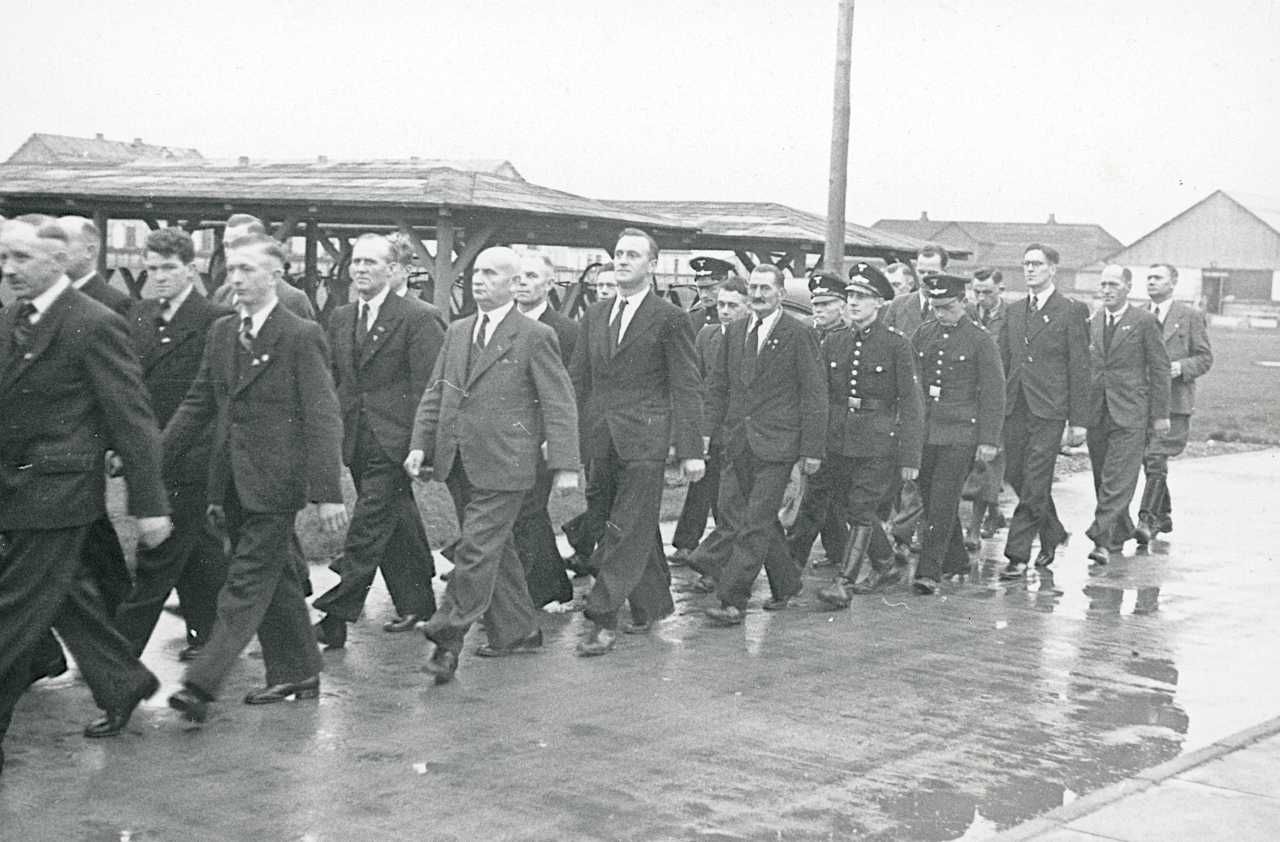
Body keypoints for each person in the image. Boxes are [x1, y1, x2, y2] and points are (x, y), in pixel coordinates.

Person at [0, 218, 172, 773]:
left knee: (12, 612)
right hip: (15, 489)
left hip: (59, 494)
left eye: (21, 258)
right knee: (65, 595)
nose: (8, 270)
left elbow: (134, 420)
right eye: (3, 259)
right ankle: (122, 682)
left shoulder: (93, 323)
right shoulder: (10, 319)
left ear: (57, 260)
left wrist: (150, 505)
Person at [164, 234, 348, 723]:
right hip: (230, 481)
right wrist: (154, 462)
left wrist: (327, 492)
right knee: (277, 578)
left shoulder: (300, 334)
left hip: (275, 486)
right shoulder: (223, 332)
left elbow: (322, 415)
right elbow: (199, 403)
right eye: (231, 270)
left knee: (243, 584)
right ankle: (299, 670)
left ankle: (201, 684)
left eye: (248, 269)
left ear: (276, 275)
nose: (237, 279)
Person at [405, 247, 579, 683]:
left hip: (506, 463)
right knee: (495, 550)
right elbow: (436, 391)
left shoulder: (534, 335)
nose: (479, 280)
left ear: (514, 282)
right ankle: (518, 630)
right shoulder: (458, 330)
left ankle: (447, 637)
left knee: (476, 549)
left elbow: (559, 401)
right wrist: (421, 444)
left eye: (491, 273)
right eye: (476, 272)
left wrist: (565, 464)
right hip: (458, 458)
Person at [569, 228, 704, 655]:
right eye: (618, 253)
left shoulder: (670, 318)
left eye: (632, 255)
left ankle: (602, 616)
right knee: (613, 522)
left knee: (626, 528)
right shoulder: (595, 315)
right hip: (601, 438)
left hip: (645, 441)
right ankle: (652, 604)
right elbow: (578, 380)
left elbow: (686, 385)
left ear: (652, 265)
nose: (622, 261)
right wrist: (569, 441)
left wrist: (691, 450)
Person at [310, 234, 444, 649]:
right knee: (395, 520)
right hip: (355, 436)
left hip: (397, 441)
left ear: (393, 269)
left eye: (371, 262)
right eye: (356, 262)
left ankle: (336, 615)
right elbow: (336, 377)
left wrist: (422, 444)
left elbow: (430, 388)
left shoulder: (419, 317)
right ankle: (418, 603)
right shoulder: (342, 316)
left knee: (368, 525)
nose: (360, 269)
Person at [113, 229, 233, 661]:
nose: (159, 276)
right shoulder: (138, 314)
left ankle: (117, 659)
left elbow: (211, 399)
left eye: (168, 268)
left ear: (190, 269)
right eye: (152, 268)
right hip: (148, 450)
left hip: (191, 456)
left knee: (157, 556)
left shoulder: (215, 319)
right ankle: (212, 636)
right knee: (199, 551)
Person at [701, 264, 827, 625]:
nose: (757, 295)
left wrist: (812, 450)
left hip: (778, 445)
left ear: (780, 294)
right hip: (738, 441)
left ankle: (732, 600)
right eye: (753, 288)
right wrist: (706, 432)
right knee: (751, 517)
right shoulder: (735, 331)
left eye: (765, 289)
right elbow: (718, 386)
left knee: (754, 523)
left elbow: (814, 394)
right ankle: (787, 583)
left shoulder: (798, 334)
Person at [811, 265, 924, 606]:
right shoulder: (834, 341)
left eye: (862, 296)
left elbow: (912, 403)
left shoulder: (896, 344)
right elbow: (821, 396)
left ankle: (844, 583)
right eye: (850, 296)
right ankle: (886, 562)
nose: (853, 302)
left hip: (878, 440)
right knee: (850, 507)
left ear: (879, 303)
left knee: (861, 507)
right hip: (839, 438)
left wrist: (911, 456)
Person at [909, 274, 1005, 593]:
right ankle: (957, 559)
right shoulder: (924, 334)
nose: (941, 314)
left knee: (942, 501)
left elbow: (993, 392)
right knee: (929, 497)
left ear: (963, 303)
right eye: (935, 307)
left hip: (961, 432)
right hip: (926, 431)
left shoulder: (980, 340)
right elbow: (913, 382)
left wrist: (989, 440)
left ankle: (928, 571)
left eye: (947, 307)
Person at [999, 244, 1090, 579]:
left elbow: (1080, 367)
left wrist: (1078, 421)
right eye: (1026, 263)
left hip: (1049, 409)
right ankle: (1051, 530)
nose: (1029, 269)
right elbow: (1003, 361)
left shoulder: (1070, 310)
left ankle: (1017, 554)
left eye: (1037, 264)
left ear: (1053, 269)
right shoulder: (1013, 311)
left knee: (1036, 477)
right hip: (1015, 405)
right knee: (1015, 474)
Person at [1083, 265, 1171, 564]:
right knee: (1101, 476)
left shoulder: (1144, 321)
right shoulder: (1095, 320)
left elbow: (1159, 367)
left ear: (1128, 287)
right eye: (1103, 284)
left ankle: (1100, 539)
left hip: (1131, 412)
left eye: (1114, 285)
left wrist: (1160, 414)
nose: (1107, 290)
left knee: (1117, 477)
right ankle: (1120, 531)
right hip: (1097, 411)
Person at [512, 252, 581, 610]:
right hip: (504, 437)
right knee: (523, 511)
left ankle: (530, 593)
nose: (522, 282)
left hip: (540, 437)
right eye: (518, 276)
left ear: (550, 284)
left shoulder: (565, 331)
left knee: (528, 508)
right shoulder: (501, 323)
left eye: (531, 276)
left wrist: (555, 440)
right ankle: (551, 583)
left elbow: (569, 391)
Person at [670, 275, 749, 570]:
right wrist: (697, 428)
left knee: (729, 499)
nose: (724, 311)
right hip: (710, 427)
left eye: (732, 306)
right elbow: (697, 382)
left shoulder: (752, 338)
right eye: (721, 305)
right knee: (704, 485)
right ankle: (691, 545)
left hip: (741, 429)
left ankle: (721, 561)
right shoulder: (707, 335)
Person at [1135, 263, 1212, 545]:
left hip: (1174, 401)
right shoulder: (1138, 314)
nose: (1151, 282)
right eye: (1149, 277)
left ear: (1173, 282)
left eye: (1158, 278)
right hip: (1142, 401)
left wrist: (1182, 367)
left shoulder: (1190, 316)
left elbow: (1205, 357)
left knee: (1156, 455)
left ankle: (1146, 519)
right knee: (1148, 458)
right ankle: (1164, 514)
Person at [785, 270, 854, 570]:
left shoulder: (851, 338)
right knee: (825, 494)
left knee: (818, 494)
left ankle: (794, 555)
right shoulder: (806, 333)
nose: (819, 310)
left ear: (842, 305)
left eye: (827, 304)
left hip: (838, 428)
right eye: (816, 303)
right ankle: (838, 551)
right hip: (808, 425)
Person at [963, 268, 1009, 547]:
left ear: (1000, 290)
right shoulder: (966, 313)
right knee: (971, 460)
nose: (981, 298)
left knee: (988, 460)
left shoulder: (1011, 316)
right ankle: (994, 511)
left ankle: (974, 528)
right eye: (976, 292)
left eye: (987, 292)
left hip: (997, 397)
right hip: (968, 396)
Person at [210, 214, 316, 320]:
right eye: (226, 245)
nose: (229, 252)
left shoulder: (293, 299)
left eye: (238, 244)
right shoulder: (223, 295)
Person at [686, 256, 733, 330]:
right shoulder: (693, 317)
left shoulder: (736, 315)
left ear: (725, 286)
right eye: (700, 289)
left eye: (711, 288)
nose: (704, 295)